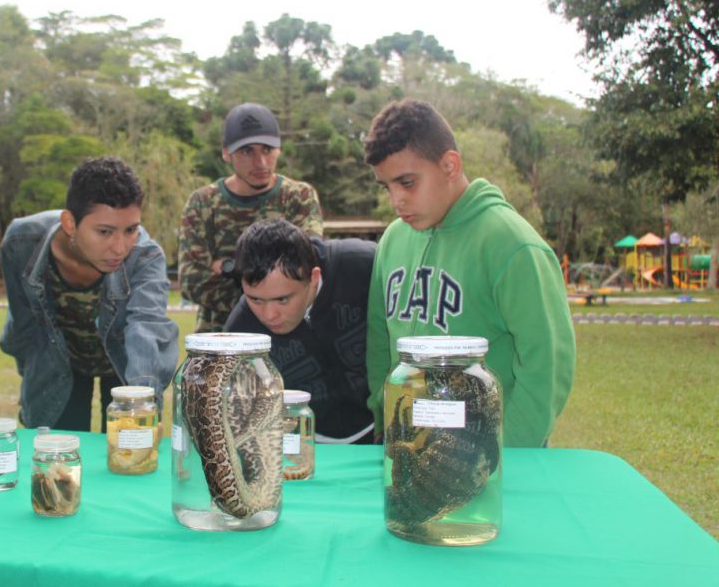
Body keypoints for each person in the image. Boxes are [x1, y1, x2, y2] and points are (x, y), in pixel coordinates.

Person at [363, 98, 575, 447]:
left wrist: (504, 456)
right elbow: (378, 339)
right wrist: (383, 417)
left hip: (487, 461)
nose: (396, 201)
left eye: (407, 183)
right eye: (387, 187)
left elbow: (547, 366)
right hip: (407, 450)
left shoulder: (513, 244)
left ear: (449, 165)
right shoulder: (392, 240)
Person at [0, 157, 179, 430]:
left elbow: (147, 326)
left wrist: (142, 403)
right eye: (105, 232)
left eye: (131, 230)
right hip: (61, 364)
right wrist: (32, 382)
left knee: (129, 456)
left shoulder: (145, 256)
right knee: (57, 463)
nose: (120, 248)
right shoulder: (20, 243)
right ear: (70, 223)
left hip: (124, 364)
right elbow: (25, 326)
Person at [225, 219, 376, 444]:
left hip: (387, 429)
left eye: (283, 299)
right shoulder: (241, 332)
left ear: (313, 278)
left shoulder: (367, 265)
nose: (269, 315)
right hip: (304, 443)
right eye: (255, 299)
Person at [179, 102, 324, 333]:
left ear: (279, 149)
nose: (261, 163)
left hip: (288, 343)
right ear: (226, 153)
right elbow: (192, 282)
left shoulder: (299, 197)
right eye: (247, 151)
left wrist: (230, 268)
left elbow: (306, 267)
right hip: (221, 340)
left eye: (267, 149)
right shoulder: (203, 203)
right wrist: (276, 290)